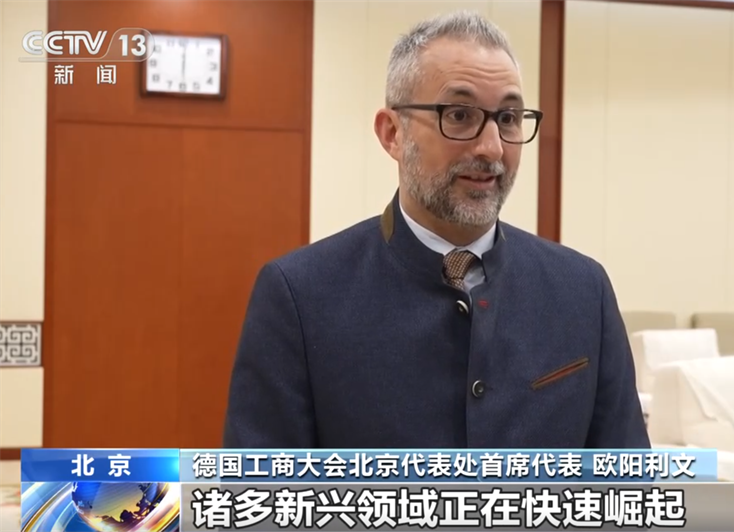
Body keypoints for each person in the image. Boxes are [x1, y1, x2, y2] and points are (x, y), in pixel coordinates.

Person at [222, 10, 649, 449]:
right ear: (392, 133)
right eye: (459, 115)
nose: (492, 148)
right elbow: (263, 487)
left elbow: (628, 482)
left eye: (508, 118)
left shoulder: (583, 291)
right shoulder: (300, 296)